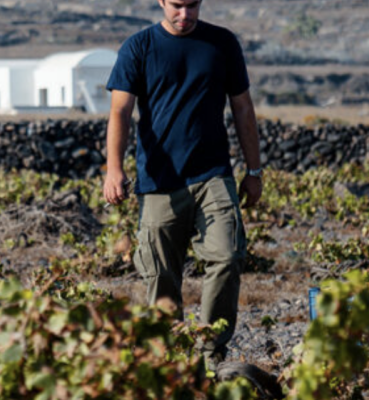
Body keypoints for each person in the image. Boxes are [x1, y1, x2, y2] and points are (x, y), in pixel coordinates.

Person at [102, 0, 262, 368]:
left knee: (227, 257)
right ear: (161, 1)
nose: (185, 14)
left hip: (213, 176)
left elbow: (243, 108)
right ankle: (170, 364)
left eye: (192, 6)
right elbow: (120, 111)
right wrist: (114, 168)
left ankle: (210, 357)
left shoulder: (223, 44)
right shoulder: (138, 47)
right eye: (177, 6)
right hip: (159, 183)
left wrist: (253, 172)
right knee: (160, 277)